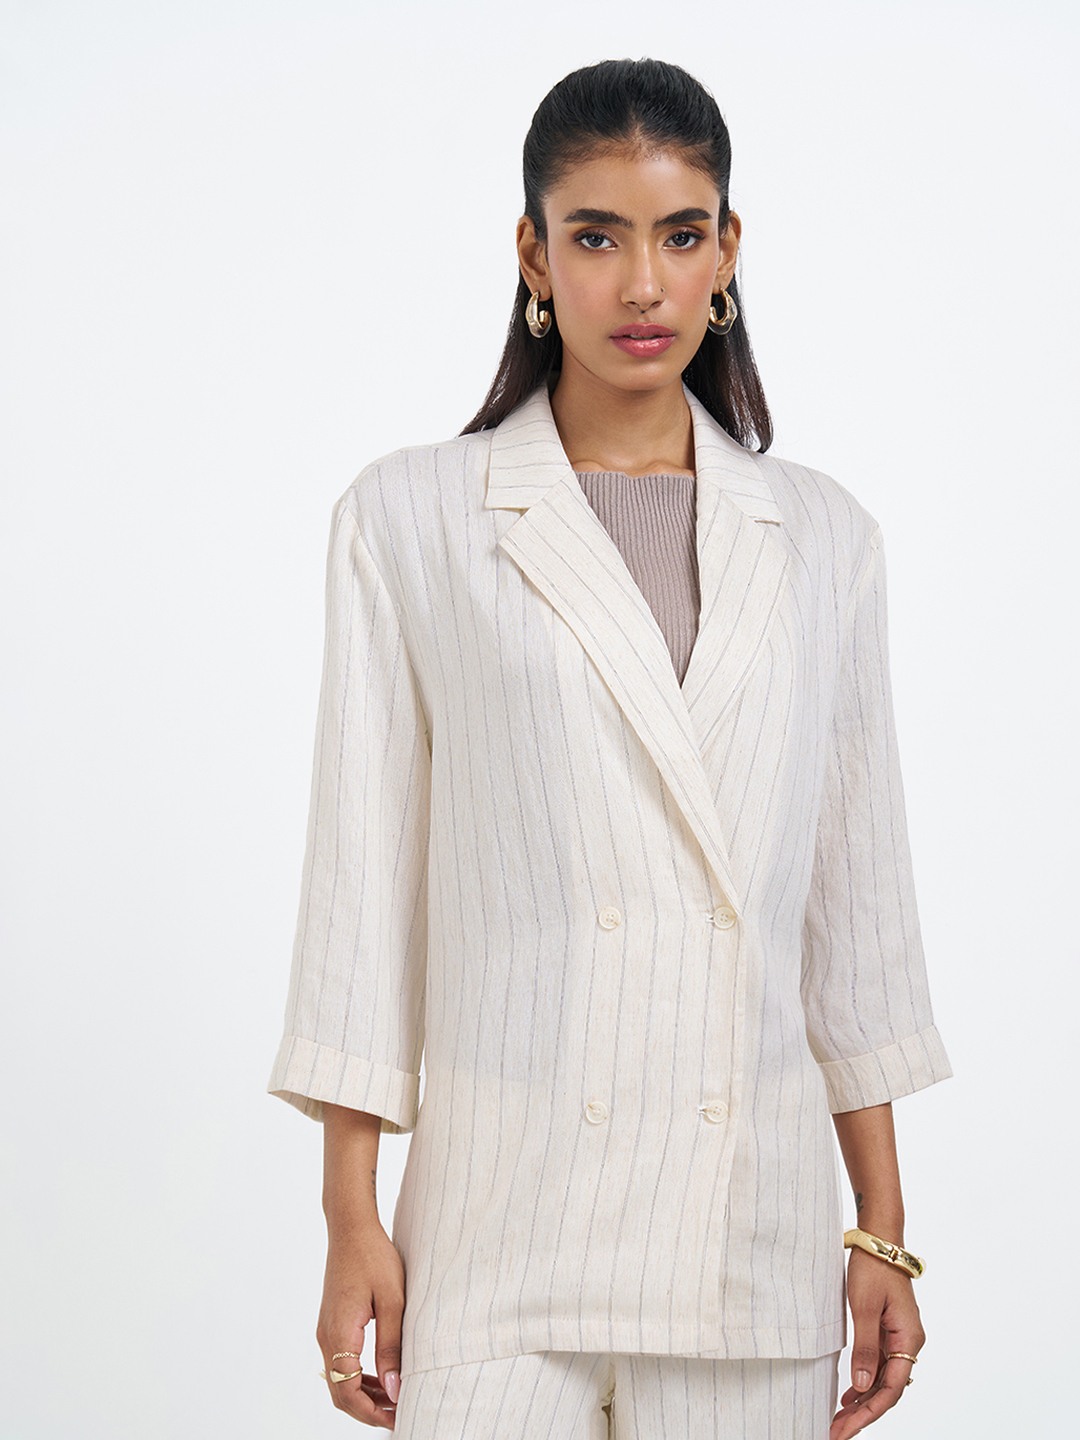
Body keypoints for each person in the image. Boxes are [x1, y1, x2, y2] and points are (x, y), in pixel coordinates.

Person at [266, 57, 952, 1439]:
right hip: (496, 1237)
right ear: (533, 254)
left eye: (680, 234)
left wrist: (880, 1228)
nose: (643, 285)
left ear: (727, 250)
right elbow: (361, 895)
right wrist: (353, 1218)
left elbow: (853, 906)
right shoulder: (411, 519)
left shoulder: (825, 539)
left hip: (745, 1245)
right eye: (596, 237)